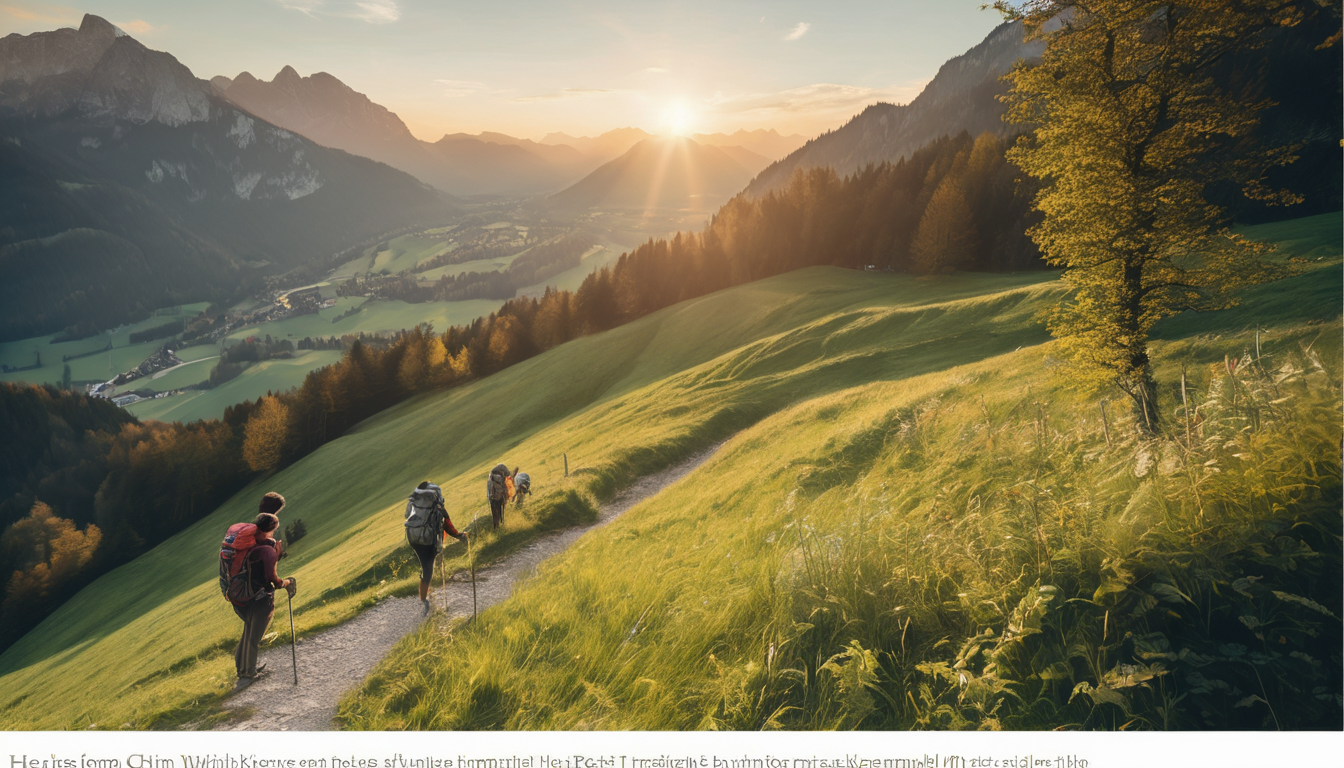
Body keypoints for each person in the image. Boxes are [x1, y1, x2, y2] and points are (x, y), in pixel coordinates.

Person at [234, 512, 295, 684]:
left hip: (246, 598)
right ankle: (249, 674)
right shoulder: (267, 550)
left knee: (248, 632)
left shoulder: (250, 546)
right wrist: (287, 582)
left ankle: (242, 669)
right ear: (273, 528)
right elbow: (272, 579)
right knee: (254, 637)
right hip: (262, 599)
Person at [407, 481, 467, 615]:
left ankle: (424, 597)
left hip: (414, 540)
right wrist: (459, 536)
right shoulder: (437, 505)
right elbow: (448, 525)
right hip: (430, 541)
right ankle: (425, 601)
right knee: (428, 569)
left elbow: (407, 517)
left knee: (425, 567)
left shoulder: (414, 501)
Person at [487, 464, 512, 529]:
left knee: (495, 516)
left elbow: (490, 490)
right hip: (499, 498)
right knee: (500, 514)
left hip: (494, 499)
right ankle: (501, 526)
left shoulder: (491, 478)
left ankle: (498, 528)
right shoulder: (500, 478)